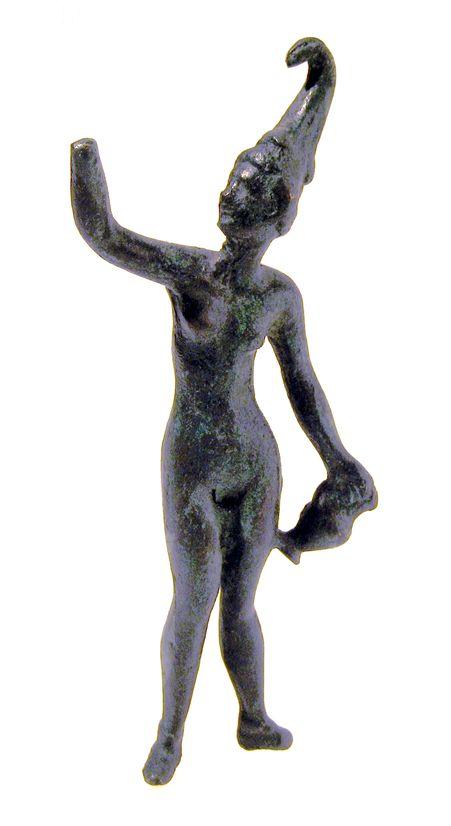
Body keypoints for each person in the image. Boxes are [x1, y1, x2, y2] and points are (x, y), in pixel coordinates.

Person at [70, 37, 377, 785]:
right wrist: (84, 161)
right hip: (193, 464)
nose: (232, 192)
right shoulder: (190, 274)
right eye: (236, 177)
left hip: (254, 461)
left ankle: (252, 717)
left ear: (280, 213)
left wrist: (338, 456)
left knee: (241, 605)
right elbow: (104, 233)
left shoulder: (278, 296)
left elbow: (303, 385)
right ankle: (171, 733)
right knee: (194, 599)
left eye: (251, 188)